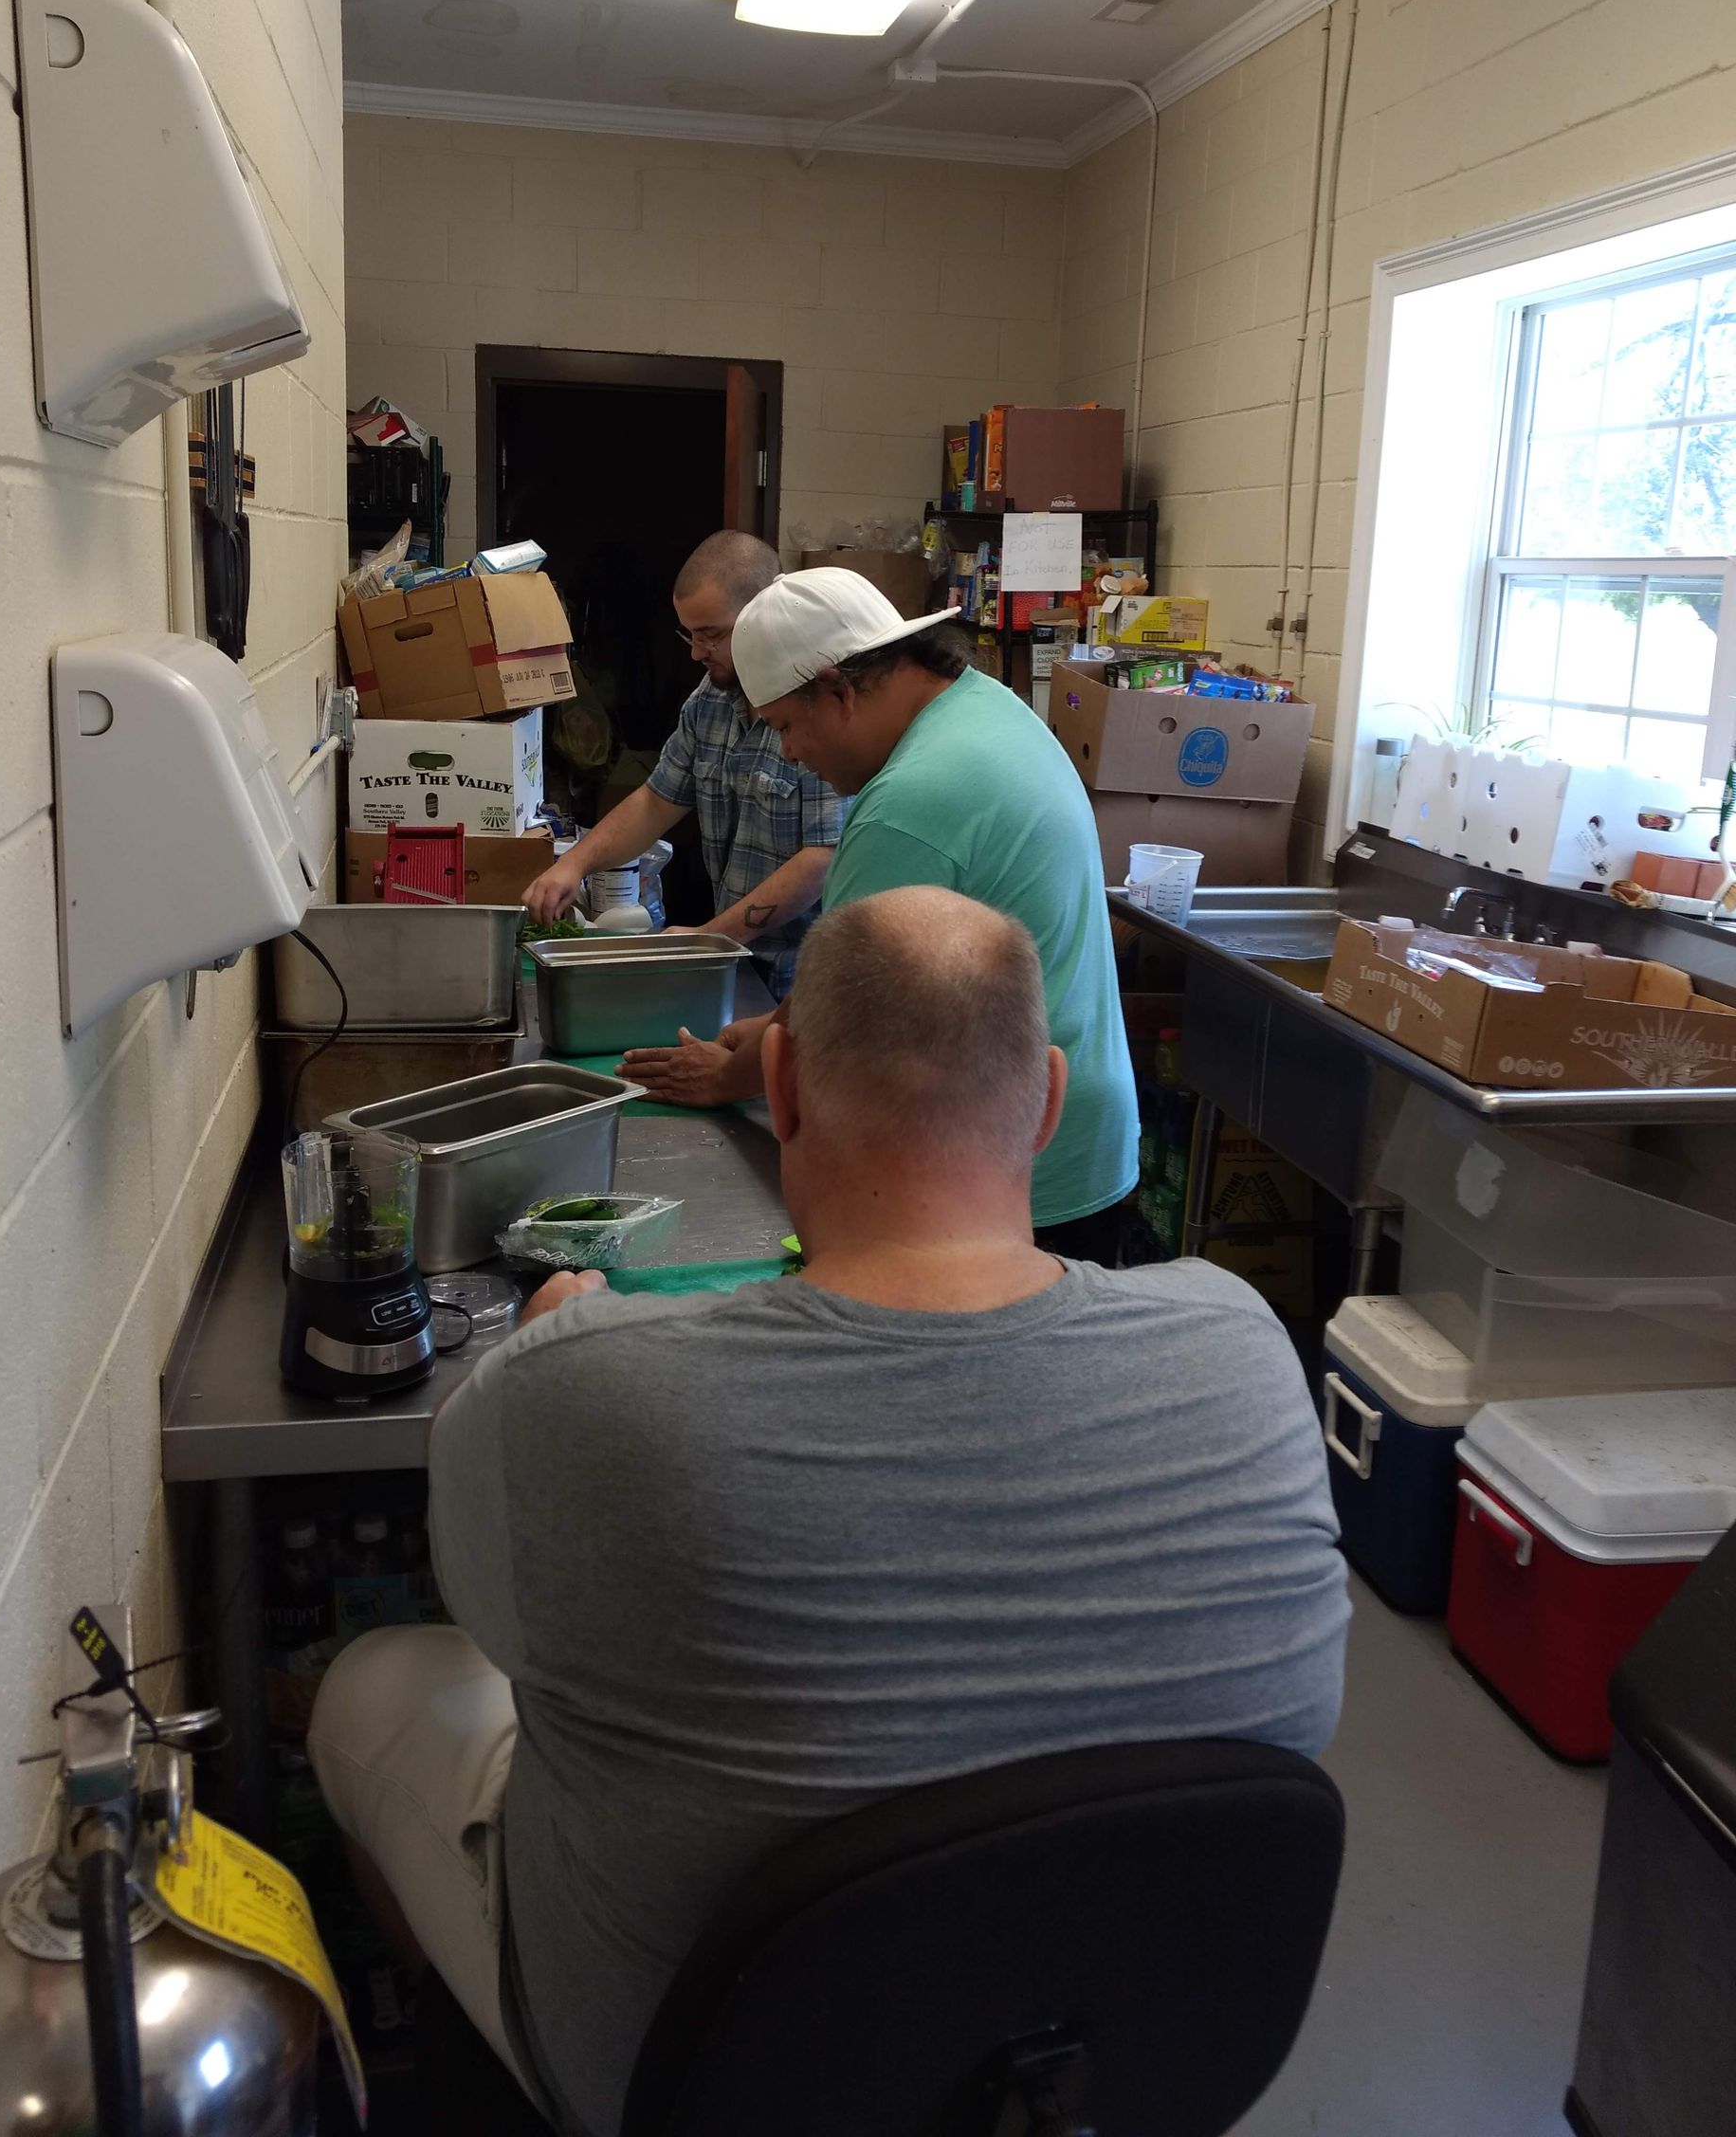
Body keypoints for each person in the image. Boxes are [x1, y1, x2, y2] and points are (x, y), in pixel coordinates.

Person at [309, 888, 1350, 2137]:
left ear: (782, 1084)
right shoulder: (1238, 1339)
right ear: (1051, 1101)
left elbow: (487, 1621)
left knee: (370, 1687)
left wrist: (548, 1355)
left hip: (697, 2083)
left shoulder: (580, 1392)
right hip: (1106, 2063)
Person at [621, 568, 1139, 1263]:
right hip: (1071, 1117)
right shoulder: (984, 707)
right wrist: (766, 1028)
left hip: (1013, 1162)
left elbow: (837, 1011)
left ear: (837, 690)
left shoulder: (908, 804)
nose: (791, 754)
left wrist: (725, 1077)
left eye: (785, 726)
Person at [523, 531, 845, 995]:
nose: (696, 653)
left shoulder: (815, 705)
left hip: (807, 981)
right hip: (736, 967)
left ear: (767, 612)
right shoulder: (711, 698)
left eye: (711, 635)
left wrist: (713, 938)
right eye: (688, 634)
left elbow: (824, 858)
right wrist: (574, 864)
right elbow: (658, 800)